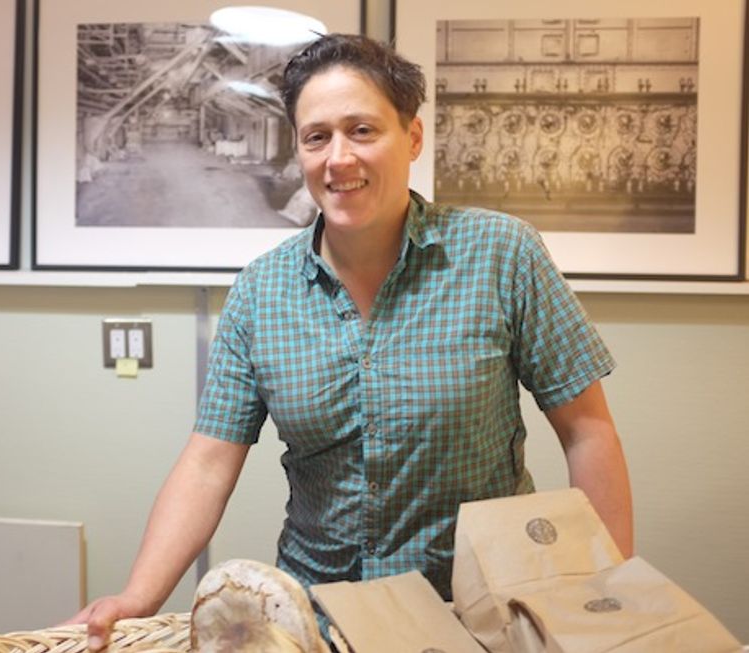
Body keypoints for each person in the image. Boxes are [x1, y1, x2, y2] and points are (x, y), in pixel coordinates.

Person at [69, 33, 633, 651]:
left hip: (476, 618)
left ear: (412, 138)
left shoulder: (501, 254)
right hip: (321, 622)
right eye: (317, 137)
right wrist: (137, 598)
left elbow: (588, 432)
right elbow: (208, 462)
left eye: (362, 131)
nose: (338, 158)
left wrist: (602, 599)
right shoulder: (261, 291)